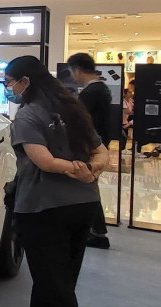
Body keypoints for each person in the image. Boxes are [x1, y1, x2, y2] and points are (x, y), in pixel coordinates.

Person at [3, 55, 110, 307]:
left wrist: (77, 169)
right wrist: (91, 170)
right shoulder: (73, 109)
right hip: (83, 204)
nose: (9, 89)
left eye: (10, 83)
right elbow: (102, 150)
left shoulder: (28, 115)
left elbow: (44, 161)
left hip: (44, 206)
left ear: (25, 82)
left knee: (53, 280)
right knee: (57, 276)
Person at [68, 53, 113, 249]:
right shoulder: (101, 88)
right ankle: (96, 231)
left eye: (72, 71)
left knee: (88, 187)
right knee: (89, 187)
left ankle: (98, 232)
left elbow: (81, 122)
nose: (72, 76)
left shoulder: (90, 92)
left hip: (89, 147)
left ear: (78, 70)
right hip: (97, 145)